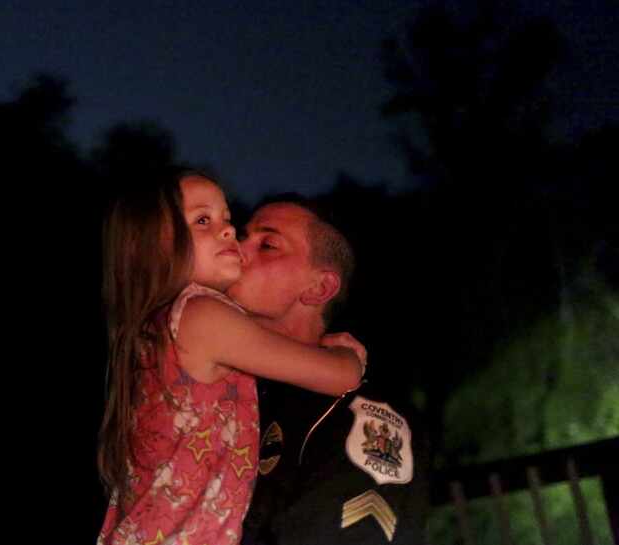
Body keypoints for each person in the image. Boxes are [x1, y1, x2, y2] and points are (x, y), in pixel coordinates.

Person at [96, 169, 367, 545]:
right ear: (155, 247)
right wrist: (345, 353)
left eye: (226, 219)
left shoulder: (170, 323)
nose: (228, 231)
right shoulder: (202, 317)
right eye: (202, 220)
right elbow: (340, 377)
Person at [232, 195, 430, 545]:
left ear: (319, 288)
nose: (236, 248)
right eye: (241, 236)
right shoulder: (222, 389)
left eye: (268, 244)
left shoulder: (357, 413)